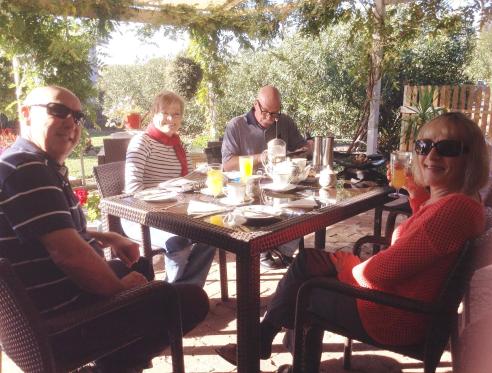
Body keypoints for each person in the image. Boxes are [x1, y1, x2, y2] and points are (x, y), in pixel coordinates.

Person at [216, 112, 490, 367]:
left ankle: (271, 347)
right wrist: (416, 194)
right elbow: (424, 239)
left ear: (471, 158)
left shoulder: (454, 210)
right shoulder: (458, 203)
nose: (431, 155)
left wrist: (343, 264)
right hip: (401, 303)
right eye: (424, 146)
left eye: (448, 148)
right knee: (307, 263)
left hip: (393, 316)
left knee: (305, 292)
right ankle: (266, 340)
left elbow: (379, 273)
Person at [0, 86, 209, 373]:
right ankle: (112, 367)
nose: (70, 123)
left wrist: (105, 236)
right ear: (26, 114)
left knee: (140, 266)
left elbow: (48, 232)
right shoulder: (27, 169)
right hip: (61, 326)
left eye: (77, 116)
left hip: (42, 310)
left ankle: (118, 364)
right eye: (58, 111)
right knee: (191, 300)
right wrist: (119, 290)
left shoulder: (28, 163)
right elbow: (68, 255)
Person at [123, 91, 216, 287]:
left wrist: (202, 179)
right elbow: (132, 191)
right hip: (141, 216)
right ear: (154, 113)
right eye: (165, 113)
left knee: (213, 236)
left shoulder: (178, 144)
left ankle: (185, 291)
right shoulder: (142, 142)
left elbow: (190, 183)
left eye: (176, 114)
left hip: (175, 214)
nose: (171, 119)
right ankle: (172, 294)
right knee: (178, 241)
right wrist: (168, 193)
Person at [221, 85, 311, 269]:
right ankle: (264, 251)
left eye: (275, 113)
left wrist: (307, 148)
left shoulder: (285, 122)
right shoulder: (236, 126)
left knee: (307, 209)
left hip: (281, 186)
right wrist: (260, 157)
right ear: (256, 104)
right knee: (261, 211)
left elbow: (301, 148)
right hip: (250, 190)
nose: (270, 118)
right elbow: (227, 164)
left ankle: (281, 251)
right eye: (266, 112)